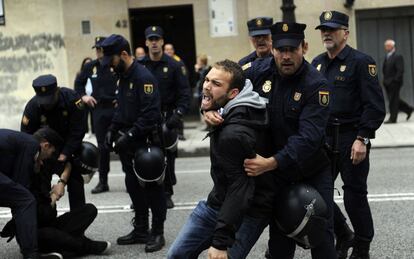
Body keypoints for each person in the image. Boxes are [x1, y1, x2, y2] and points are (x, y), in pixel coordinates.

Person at [241, 22, 336, 258]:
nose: (286, 56)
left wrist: (271, 162)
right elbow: (222, 82)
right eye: (281, 50)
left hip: (311, 169)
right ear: (272, 48)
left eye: (292, 49)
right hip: (278, 174)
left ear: (304, 47)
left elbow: (309, 138)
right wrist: (209, 107)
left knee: (321, 234)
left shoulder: (316, 84)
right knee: (280, 238)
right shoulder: (257, 71)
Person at [167, 59, 277, 259]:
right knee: (176, 255)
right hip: (217, 201)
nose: (207, 86)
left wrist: (220, 242)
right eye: (207, 80)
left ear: (233, 94)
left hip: (250, 210)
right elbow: (212, 98)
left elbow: (240, 189)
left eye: (216, 84)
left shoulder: (233, 133)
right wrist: (208, 108)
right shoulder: (240, 103)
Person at [312, 11, 386, 259]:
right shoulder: (317, 63)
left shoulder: (362, 62)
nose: (326, 33)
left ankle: (362, 247)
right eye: (323, 29)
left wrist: (362, 138)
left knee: (355, 196)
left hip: (350, 137)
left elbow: (375, 106)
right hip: (323, 139)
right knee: (315, 193)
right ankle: (344, 233)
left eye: (332, 29)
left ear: (345, 32)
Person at [100, 34, 165, 252]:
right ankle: (140, 228)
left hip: (145, 141)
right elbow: (122, 110)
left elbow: (150, 114)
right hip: (129, 143)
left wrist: (128, 136)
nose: (109, 66)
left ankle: (157, 232)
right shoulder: (124, 76)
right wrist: (112, 130)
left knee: (153, 188)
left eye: (112, 61)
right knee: (133, 185)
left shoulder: (142, 77)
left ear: (124, 55)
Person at [139, 26, 191, 209]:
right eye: (150, 39)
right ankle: (146, 193)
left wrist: (178, 114)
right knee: (145, 155)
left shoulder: (174, 65)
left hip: (166, 117)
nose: (154, 42)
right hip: (145, 117)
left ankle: (167, 193)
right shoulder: (140, 65)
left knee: (168, 157)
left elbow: (185, 93)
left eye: (157, 39)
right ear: (146, 43)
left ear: (162, 41)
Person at [21, 74, 87, 211]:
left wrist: (65, 153)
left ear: (57, 90)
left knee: (75, 181)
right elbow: (26, 137)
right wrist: (36, 159)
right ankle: (47, 218)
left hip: (68, 147)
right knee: (40, 184)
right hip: (43, 152)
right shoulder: (33, 107)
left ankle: (77, 224)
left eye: (49, 100)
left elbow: (78, 130)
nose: (47, 104)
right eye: (43, 101)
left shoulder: (73, 100)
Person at [0, 127, 63, 259]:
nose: (47, 159)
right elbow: (21, 186)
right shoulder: (32, 145)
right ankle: (32, 255)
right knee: (25, 200)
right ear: (46, 145)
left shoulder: (21, 142)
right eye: (51, 153)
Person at [74, 36, 118, 194]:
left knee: (123, 144)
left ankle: (132, 179)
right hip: (98, 110)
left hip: (116, 109)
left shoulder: (116, 65)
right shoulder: (91, 66)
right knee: (102, 147)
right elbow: (78, 84)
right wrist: (83, 96)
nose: (99, 52)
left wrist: (122, 98)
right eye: (97, 49)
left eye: (101, 49)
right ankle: (103, 181)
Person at [382, 38, 413, 123]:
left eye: (388, 45)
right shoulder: (387, 56)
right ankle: (408, 109)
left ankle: (393, 118)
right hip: (387, 83)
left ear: (392, 46)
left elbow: (400, 70)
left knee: (393, 101)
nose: (386, 47)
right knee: (394, 100)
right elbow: (385, 70)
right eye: (385, 46)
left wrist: (395, 80)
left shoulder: (397, 56)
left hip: (394, 83)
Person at [163, 42, 188, 141]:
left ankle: (180, 133)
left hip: (177, 94)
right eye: (166, 50)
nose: (168, 51)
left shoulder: (178, 62)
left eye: (170, 49)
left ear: (173, 51)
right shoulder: (162, 62)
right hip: (168, 95)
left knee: (178, 115)